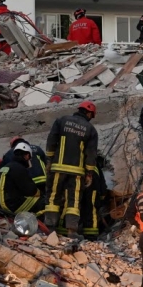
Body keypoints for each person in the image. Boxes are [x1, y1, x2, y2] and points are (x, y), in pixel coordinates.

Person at [45, 101, 100, 236]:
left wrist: (49, 160)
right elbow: (91, 154)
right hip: (77, 173)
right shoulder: (90, 129)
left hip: (58, 168)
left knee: (53, 197)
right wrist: (89, 173)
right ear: (88, 113)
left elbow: (51, 141)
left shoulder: (61, 121)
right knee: (73, 201)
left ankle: (50, 228)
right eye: (91, 116)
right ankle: (71, 230)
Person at [0, 142, 41, 216]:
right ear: (26, 155)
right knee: (42, 202)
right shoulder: (19, 168)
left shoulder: (6, 167)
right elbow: (31, 191)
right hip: (11, 207)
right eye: (29, 158)